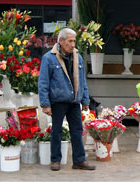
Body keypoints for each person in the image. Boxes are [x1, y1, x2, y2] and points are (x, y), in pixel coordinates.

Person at [38, 28, 95, 171]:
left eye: (74, 41)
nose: (72, 44)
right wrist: (45, 104)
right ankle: (55, 160)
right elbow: (43, 82)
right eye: (70, 41)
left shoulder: (78, 57)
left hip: (74, 101)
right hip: (58, 101)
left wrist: (85, 100)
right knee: (56, 130)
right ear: (61, 41)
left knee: (77, 130)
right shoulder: (49, 58)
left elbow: (82, 81)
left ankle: (79, 161)